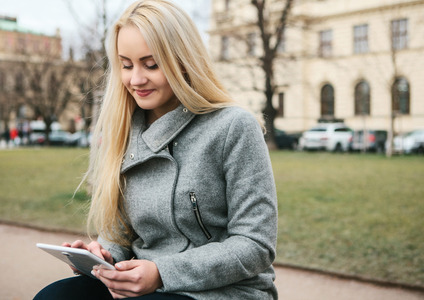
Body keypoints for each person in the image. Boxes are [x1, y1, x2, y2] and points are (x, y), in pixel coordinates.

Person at [34, 0, 277, 299]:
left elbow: (256, 245)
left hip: (226, 291)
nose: (135, 79)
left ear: (184, 61)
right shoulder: (124, 128)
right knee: (56, 297)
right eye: (126, 65)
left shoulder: (233, 127)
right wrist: (104, 256)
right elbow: (121, 235)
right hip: (148, 287)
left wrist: (161, 272)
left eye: (151, 64)